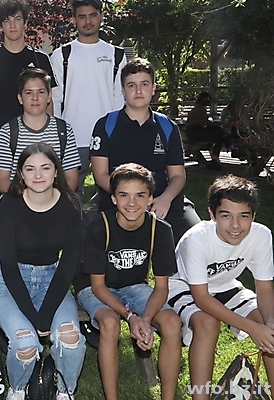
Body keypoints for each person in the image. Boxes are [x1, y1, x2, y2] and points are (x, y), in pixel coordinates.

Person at [76, 163, 181, 400]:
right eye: (124, 195)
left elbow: (161, 287)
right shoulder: (99, 227)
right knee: (110, 322)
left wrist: (145, 319)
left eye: (140, 195)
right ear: (113, 198)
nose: (131, 203)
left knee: (172, 323)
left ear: (151, 198)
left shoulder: (160, 230)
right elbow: (98, 286)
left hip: (134, 284)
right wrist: (131, 316)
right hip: (95, 286)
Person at [0, 142, 85, 400]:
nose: (38, 175)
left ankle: (65, 392)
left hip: (52, 278)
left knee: (70, 339)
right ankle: (18, 390)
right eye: (30, 169)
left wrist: (47, 314)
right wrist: (34, 317)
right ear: (21, 174)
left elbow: (69, 264)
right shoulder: (9, 203)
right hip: (9, 281)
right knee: (26, 343)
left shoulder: (70, 205)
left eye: (45, 167)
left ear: (56, 171)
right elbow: (8, 265)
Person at [167, 175, 274, 400]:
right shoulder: (196, 239)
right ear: (212, 214)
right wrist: (253, 328)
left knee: (271, 327)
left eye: (243, 216)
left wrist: (269, 324)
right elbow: (202, 298)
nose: (235, 225)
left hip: (225, 284)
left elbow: (264, 289)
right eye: (226, 216)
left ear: (253, 216)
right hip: (182, 286)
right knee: (207, 323)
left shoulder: (261, 235)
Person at [90, 57, 200, 242]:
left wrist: (165, 199)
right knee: (96, 237)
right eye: (131, 85)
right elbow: (100, 175)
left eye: (144, 84)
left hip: (160, 197)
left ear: (153, 88)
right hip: (119, 198)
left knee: (195, 235)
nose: (138, 90)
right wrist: (130, 199)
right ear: (123, 90)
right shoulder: (106, 125)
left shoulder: (167, 127)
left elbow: (178, 176)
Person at [50, 0, 126, 193]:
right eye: (82, 16)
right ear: (74, 20)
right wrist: (57, 134)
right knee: (70, 196)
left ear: (101, 17)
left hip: (108, 137)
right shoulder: (61, 55)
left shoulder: (116, 55)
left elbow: (119, 96)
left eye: (93, 15)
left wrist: (117, 132)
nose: (88, 21)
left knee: (113, 193)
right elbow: (55, 99)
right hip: (72, 138)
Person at [0, 0, 56, 146]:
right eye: (7, 21)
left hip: (34, 144)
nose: (12, 25)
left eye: (17, 19)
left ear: (25, 22)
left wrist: (47, 139)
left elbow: (48, 102)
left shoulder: (40, 59)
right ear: (1, 25)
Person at [0, 68, 80, 194]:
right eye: (29, 93)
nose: (35, 98)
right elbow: (1, 179)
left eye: (41, 92)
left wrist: (53, 199)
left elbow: (71, 177)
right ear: (20, 98)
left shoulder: (64, 130)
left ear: (49, 97)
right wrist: (28, 199)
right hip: (19, 199)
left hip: (56, 199)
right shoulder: (8, 132)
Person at [184, 91, 226, 170]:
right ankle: (215, 158)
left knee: (219, 134)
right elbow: (204, 122)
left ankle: (215, 158)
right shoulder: (200, 109)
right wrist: (217, 126)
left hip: (194, 131)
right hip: (195, 132)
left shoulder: (197, 108)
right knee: (220, 136)